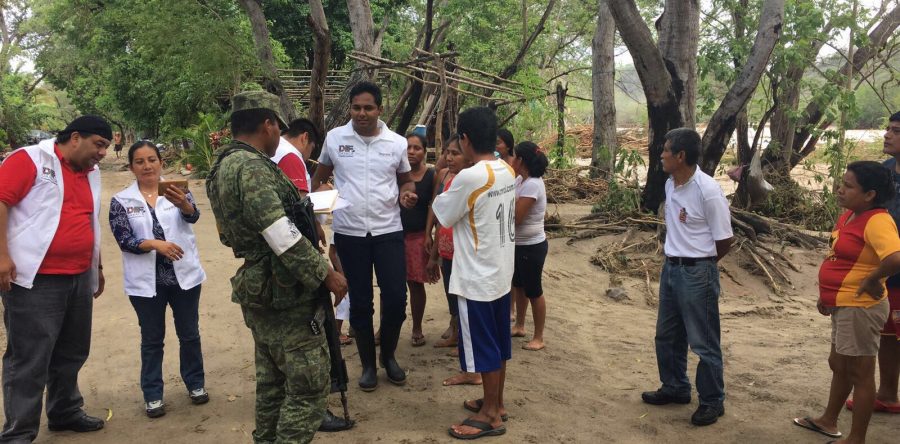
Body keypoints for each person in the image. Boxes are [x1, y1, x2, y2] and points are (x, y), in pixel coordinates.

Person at [206, 91, 348, 443]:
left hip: (262, 286)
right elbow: (278, 232)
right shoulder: (251, 167)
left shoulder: (222, 166)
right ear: (268, 124)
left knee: (272, 384)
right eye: (277, 129)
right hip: (284, 291)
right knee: (308, 390)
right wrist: (324, 274)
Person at [0, 116, 111, 442]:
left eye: (106, 146)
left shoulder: (92, 172)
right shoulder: (30, 159)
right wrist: (2, 256)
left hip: (78, 276)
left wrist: (97, 266)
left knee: (72, 351)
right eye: (99, 145)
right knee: (30, 358)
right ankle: (19, 433)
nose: (103, 153)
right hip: (35, 280)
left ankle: (64, 411)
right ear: (75, 137)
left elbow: (91, 219)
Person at [310, 81, 418, 392]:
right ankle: (368, 365)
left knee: (396, 299)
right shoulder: (335, 138)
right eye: (356, 107)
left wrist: (407, 196)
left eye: (368, 107)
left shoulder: (396, 143)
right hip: (349, 232)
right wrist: (319, 213)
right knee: (360, 302)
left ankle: (390, 357)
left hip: (388, 231)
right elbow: (318, 180)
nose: (361, 113)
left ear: (380, 109)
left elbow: (406, 182)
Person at [792, 161, 900, 443]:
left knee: (860, 372)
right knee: (839, 364)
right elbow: (838, 258)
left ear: (870, 195)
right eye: (842, 182)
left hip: (861, 307)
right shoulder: (850, 215)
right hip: (844, 303)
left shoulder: (877, 220)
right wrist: (826, 296)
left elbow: (895, 258)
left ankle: (857, 438)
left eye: (849, 186)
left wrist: (873, 279)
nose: (840, 189)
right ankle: (828, 420)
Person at [433, 107, 516, 439]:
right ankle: (495, 401)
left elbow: (444, 214)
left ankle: (490, 414)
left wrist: (443, 177)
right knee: (498, 343)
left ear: (464, 139)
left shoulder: (470, 177)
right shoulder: (506, 170)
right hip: (499, 272)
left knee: (483, 346)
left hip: (476, 277)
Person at [641, 128, 733, 427]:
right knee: (667, 334)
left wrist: (702, 264)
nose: (662, 154)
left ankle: (712, 400)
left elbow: (724, 240)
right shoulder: (671, 184)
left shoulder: (708, 191)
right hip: (671, 268)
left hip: (697, 273)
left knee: (703, 341)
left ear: (680, 156)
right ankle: (675, 386)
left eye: (666, 150)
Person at [108, 141, 208, 418]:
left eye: (152, 159)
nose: (147, 166)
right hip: (146, 283)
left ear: (161, 162)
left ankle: (195, 383)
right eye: (139, 162)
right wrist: (155, 244)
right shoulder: (122, 201)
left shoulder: (178, 190)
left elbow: (194, 217)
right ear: (131, 167)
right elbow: (124, 239)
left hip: (183, 277)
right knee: (152, 339)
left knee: (189, 334)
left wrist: (185, 205)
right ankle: (153, 394)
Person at [428, 136, 482, 387]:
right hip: (446, 243)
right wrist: (433, 246)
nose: (449, 158)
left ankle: (465, 347)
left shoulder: (469, 181)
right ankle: (455, 333)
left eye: (455, 153)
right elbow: (436, 209)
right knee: (450, 291)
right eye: (446, 153)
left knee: (464, 299)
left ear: (469, 156)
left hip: (463, 248)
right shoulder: (444, 177)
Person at [509, 141, 550, 351]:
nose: (511, 160)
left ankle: (539, 336)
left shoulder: (533, 184)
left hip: (531, 246)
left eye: (514, 156)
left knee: (534, 290)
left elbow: (517, 217)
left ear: (521, 160)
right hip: (519, 245)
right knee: (519, 285)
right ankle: (520, 325)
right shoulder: (520, 180)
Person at [402, 132, 436, 346]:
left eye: (417, 148)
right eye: (408, 148)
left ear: (424, 151)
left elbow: (433, 205)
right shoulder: (398, 174)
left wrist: (427, 234)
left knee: (415, 284)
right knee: (391, 284)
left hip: (417, 237)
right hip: (395, 235)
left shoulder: (432, 176)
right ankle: (385, 328)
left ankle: (417, 328)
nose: (412, 152)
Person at [275, 118, 319, 196]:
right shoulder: (291, 158)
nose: (309, 156)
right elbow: (301, 201)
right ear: (305, 137)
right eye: (311, 148)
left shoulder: (274, 148)